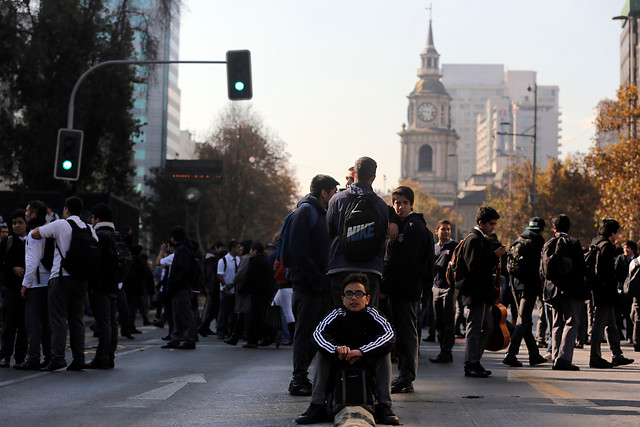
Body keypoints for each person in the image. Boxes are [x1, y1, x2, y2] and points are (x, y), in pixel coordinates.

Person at [295, 273, 399, 425]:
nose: (354, 298)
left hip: (367, 362)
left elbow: (389, 335)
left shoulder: (374, 314)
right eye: (349, 294)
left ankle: (385, 407)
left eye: (359, 294)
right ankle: (316, 406)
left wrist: (362, 351)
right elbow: (317, 335)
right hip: (340, 361)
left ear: (367, 298)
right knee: (322, 354)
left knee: (385, 355)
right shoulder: (335, 314)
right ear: (342, 299)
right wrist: (336, 349)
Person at [32, 196, 98, 371]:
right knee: (77, 319)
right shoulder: (89, 228)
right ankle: (79, 359)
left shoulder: (61, 224)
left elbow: (35, 233)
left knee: (58, 319)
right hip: (81, 279)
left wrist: (49, 224)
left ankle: (58, 357)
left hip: (60, 277)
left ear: (66, 210)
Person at [289, 174, 339, 396]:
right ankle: (298, 379)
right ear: (324, 193)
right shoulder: (305, 212)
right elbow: (298, 251)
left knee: (318, 335)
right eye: (333, 192)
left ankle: (305, 377)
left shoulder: (322, 214)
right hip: (308, 288)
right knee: (304, 334)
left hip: (320, 287)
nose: (335, 196)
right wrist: (316, 282)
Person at [381, 185, 431, 393]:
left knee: (407, 334)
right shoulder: (402, 224)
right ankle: (403, 375)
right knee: (400, 334)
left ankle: (406, 376)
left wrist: (386, 286)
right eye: (396, 203)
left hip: (407, 290)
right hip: (398, 290)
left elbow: (404, 262)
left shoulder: (414, 228)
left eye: (404, 203)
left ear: (411, 204)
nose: (399, 207)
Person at [326, 157, 389, 308]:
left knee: (339, 318)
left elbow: (329, 231)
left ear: (353, 175)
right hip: (370, 270)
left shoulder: (337, 199)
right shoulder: (380, 205)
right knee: (368, 319)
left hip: (340, 267)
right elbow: (381, 237)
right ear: (373, 177)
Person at [457, 206, 505, 378]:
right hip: (475, 293)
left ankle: (475, 361)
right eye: (491, 224)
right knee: (475, 328)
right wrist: (494, 256)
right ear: (481, 223)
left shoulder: (481, 239)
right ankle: (471, 363)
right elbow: (474, 267)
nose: (493, 227)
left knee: (487, 326)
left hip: (482, 293)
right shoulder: (474, 240)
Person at [541, 214, 588, 371]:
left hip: (552, 290)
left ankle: (555, 356)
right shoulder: (573, 243)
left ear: (554, 228)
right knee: (571, 321)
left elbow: (542, 270)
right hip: (570, 289)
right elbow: (581, 268)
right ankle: (564, 358)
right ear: (568, 227)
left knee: (556, 323)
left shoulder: (548, 243)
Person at [502, 217, 548, 368]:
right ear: (541, 229)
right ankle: (511, 354)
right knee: (522, 321)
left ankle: (534, 354)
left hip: (515, 285)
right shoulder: (539, 241)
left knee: (525, 320)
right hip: (529, 286)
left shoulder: (519, 239)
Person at [588, 219, 634, 368]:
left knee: (611, 325)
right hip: (605, 292)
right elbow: (607, 273)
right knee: (599, 325)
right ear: (613, 232)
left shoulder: (595, 242)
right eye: (617, 232)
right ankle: (595, 357)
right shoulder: (607, 246)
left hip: (597, 289)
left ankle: (617, 355)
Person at [16, 201, 52, 370]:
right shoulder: (49, 231)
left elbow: (32, 262)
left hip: (37, 285)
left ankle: (33, 357)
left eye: (27, 211)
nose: (25, 214)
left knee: (32, 323)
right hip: (50, 283)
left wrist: (25, 285)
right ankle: (49, 356)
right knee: (46, 323)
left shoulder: (33, 234)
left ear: (33, 215)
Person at [85, 203, 120, 369]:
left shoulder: (99, 235)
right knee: (113, 322)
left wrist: (92, 285)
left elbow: (94, 262)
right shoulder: (116, 235)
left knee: (103, 322)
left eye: (92, 218)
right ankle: (110, 356)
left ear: (97, 219)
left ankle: (102, 357)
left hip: (100, 286)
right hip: (114, 285)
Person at [161, 226, 198, 350]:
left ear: (174, 238)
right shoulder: (184, 249)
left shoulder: (181, 250)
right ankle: (176, 337)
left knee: (185, 313)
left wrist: (174, 283)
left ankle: (188, 339)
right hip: (180, 286)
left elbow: (182, 269)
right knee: (177, 313)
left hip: (180, 287)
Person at [0, 209, 28, 368]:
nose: (16, 226)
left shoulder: (32, 240)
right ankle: (5, 355)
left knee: (24, 326)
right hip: (11, 289)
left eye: (20, 222)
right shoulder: (7, 242)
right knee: (8, 325)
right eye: (14, 223)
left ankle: (20, 356)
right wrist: (12, 269)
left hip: (28, 289)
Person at [430, 220, 458, 364]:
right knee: (438, 321)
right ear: (437, 232)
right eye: (443, 229)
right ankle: (443, 350)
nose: (446, 232)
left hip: (449, 288)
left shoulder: (454, 246)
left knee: (448, 321)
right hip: (436, 287)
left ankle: (446, 351)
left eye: (448, 229)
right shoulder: (434, 248)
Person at [198, 241, 225, 337]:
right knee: (211, 308)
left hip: (209, 285)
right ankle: (203, 326)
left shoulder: (208, 258)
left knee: (213, 308)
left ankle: (205, 326)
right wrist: (209, 285)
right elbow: (211, 274)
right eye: (221, 248)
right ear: (216, 247)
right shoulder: (211, 259)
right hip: (211, 286)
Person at [217, 240, 242, 340]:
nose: (239, 249)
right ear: (232, 248)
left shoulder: (239, 260)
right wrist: (225, 287)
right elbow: (220, 275)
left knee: (233, 313)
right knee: (223, 312)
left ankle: (231, 331)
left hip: (235, 291)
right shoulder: (223, 260)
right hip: (225, 290)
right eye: (237, 247)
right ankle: (221, 331)